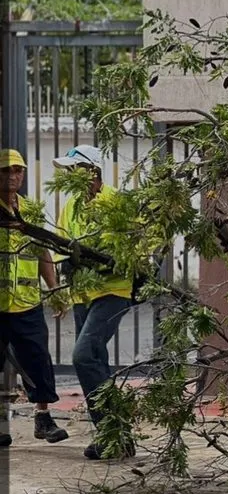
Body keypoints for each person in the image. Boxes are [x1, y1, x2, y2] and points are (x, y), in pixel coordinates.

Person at [52, 144, 134, 460]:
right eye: (69, 171)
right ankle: (118, 438)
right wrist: (67, 263)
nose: (71, 175)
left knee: (83, 356)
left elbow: (128, 250)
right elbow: (61, 246)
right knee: (96, 359)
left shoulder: (116, 203)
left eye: (76, 169)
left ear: (93, 171)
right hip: (82, 294)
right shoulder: (70, 206)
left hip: (113, 292)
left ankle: (111, 433)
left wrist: (98, 260)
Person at [0, 149, 69, 448]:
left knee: (38, 359)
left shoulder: (32, 211)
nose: (13, 176)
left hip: (27, 301)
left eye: (18, 170)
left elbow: (43, 253)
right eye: (6, 170)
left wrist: (54, 290)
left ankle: (43, 418)